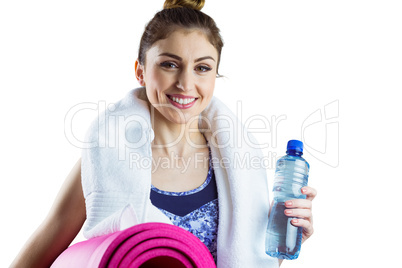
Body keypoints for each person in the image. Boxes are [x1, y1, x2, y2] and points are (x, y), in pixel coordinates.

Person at [11, 0, 317, 267]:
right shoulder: (105, 159)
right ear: (141, 71)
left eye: (202, 68)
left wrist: (288, 237)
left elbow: (248, 261)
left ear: (215, 75)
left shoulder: (241, 168)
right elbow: (42, 252)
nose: (185, 83)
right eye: (170, 64)